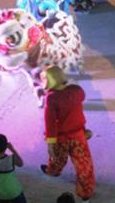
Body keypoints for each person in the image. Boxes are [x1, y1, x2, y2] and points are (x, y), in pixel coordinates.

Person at [40, 66, 95, 203]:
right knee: (83, 165)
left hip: (61, 138)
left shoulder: (51, 98)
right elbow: (81, 100)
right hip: (79, 136)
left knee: (57, 159)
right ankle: (86, 192)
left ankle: (52, 171)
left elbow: (50, 123)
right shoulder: (76, 91)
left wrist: (50, 144)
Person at [0, 134, 26, 203]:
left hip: (0, 194)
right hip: (14, 192)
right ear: (6, 146)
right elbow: (21, 163)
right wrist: (12, 149)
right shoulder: (11, 159)